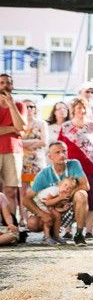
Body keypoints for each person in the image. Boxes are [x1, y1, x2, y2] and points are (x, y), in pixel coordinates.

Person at [24, 141, 90, 246]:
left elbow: (85, 186)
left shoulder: (74, 164)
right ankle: (51, 233)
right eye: (57, 152)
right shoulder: (44, 174)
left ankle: (79, 234)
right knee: (32, 224)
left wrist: (66, 195)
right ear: (50, 156)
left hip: (68, 207)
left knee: (82, 194)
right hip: (51, 209)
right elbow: (26, 199)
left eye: (64, 151)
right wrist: (42, 214)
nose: (62, 155)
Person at [58, 97, 93, 239]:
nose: (81, 110)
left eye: (84, 108)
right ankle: (68, 230)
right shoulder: (65, 127)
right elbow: (59, 147)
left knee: (91, 200)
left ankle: (89, 230)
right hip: (70, 169)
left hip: (90, 168)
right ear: (73, 110)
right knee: (68, 197)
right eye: (78, 108)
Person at [0, 74, 27, 221]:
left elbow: (22, 127)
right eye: (1, 83)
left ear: (12, 86)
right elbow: (17, 128)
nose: (5, 85)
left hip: (14, 151)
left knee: (10, 190)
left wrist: (11, 105)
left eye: (8, 83)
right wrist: (12, 128)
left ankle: (11, 224)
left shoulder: (20, 105)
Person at [20, 99, 48, 227]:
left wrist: (24, 144)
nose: (29, 109)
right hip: (22, 162)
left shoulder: (41, 123)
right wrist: (34, 142)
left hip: (38, 162)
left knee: (41, 190)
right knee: (22, 191)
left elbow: (44, 142)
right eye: (26, 107)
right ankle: (23, 218)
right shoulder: (19, 123)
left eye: (31, 106)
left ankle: (43, 217)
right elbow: (17, 142)